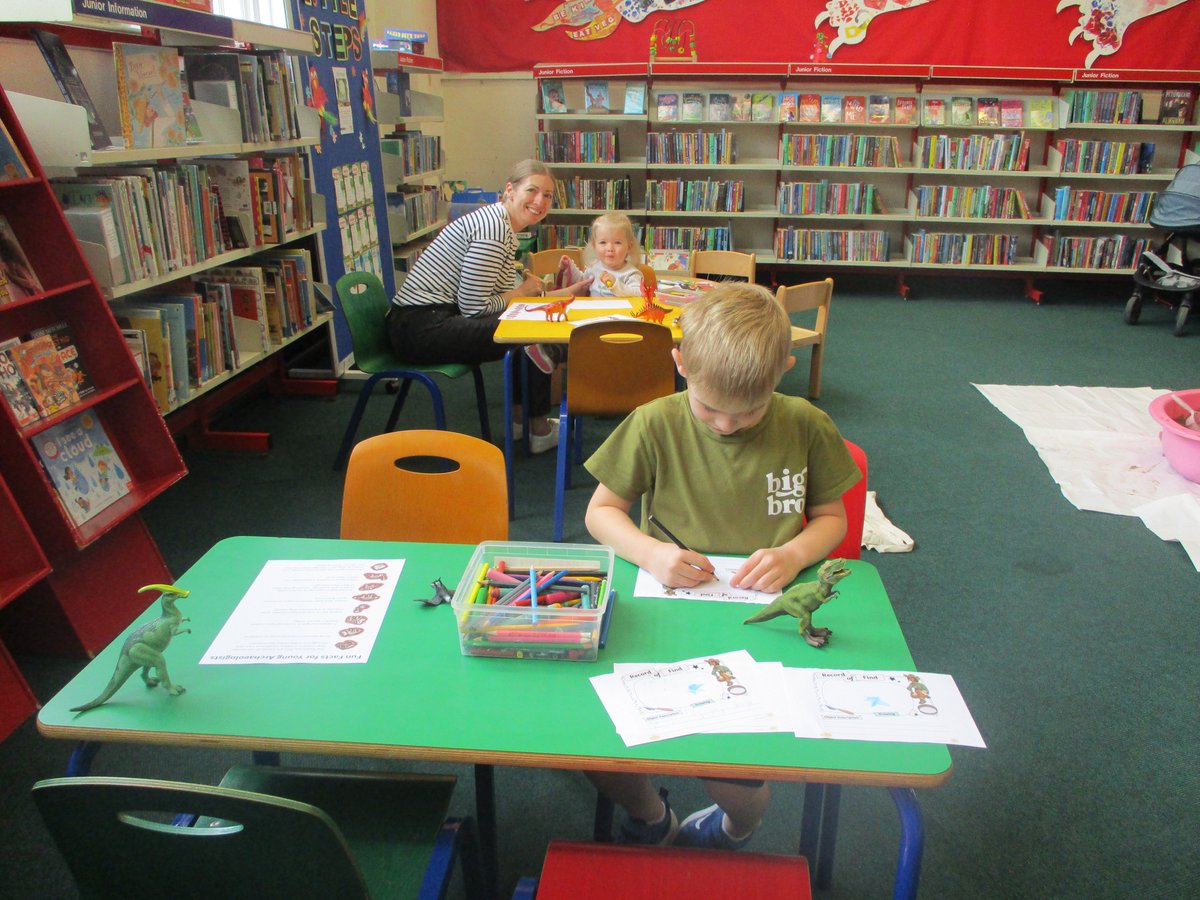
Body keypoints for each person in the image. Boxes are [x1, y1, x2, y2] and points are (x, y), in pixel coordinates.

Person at [582, 282, 862, 849]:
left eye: (749, 411)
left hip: (767, 619)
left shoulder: (806, 424)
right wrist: (651, 552)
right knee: (598, 744)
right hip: (664, 610)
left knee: (730, 769)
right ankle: (650, 815)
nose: (726, 426)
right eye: (709, 407)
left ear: (783, 369)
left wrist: (795, 553)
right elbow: (602, 513)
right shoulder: (654, 421)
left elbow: (833, 519)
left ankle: (737, 825)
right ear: (679, 362)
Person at [386, 159, 591, 452]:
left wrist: (557, 294)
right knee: (530, 335)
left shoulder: (503, 225)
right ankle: (537, 427)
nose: (539, 201)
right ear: (510, 190)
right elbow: (476, 307)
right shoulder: (494, 231)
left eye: (547, 195)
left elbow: (509, 297)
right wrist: (523, 290)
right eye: (532, 190)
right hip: (420, 327)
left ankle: (523, 425)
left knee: (529, 330)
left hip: (427, 320)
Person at [557, 212, 645, 298]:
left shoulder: (631, 273)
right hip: (594, 312)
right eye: (603, 242)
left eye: (617, 242)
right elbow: (581, 282)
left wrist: (616, 285)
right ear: (594, 245)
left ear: (629, 247)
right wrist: (569, 268)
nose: (610, 248)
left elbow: (639, 294)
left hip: (621, 312)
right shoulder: (594, 267)